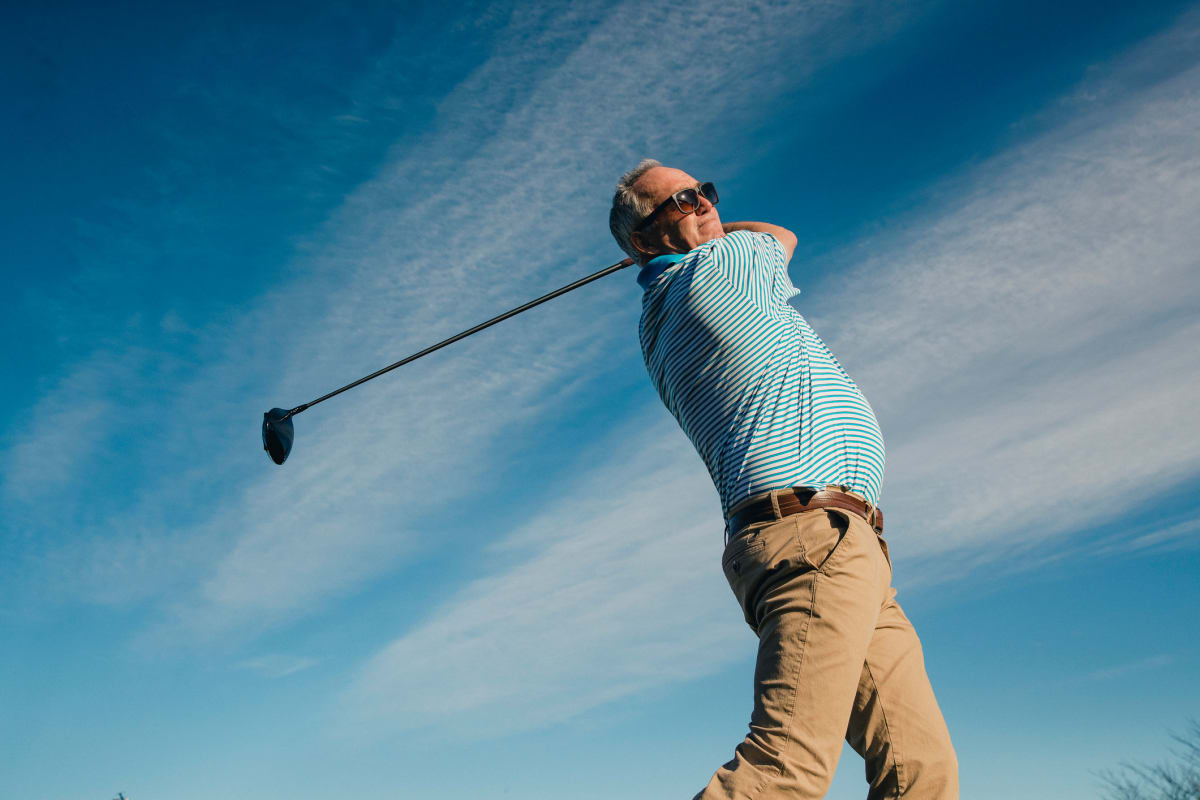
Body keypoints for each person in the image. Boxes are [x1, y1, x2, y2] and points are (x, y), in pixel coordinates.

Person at [608, 160, 958, 799]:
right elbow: (781, 233)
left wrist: (687, 225)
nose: (705, 204)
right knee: (785, 769)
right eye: (681, 201)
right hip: (810, 534)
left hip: (840, 545)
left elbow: (747, 236)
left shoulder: (661, 310)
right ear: (644, 239)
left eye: (706, 192)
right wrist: (715, 230)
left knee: (921, 771)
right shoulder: (718, 270)